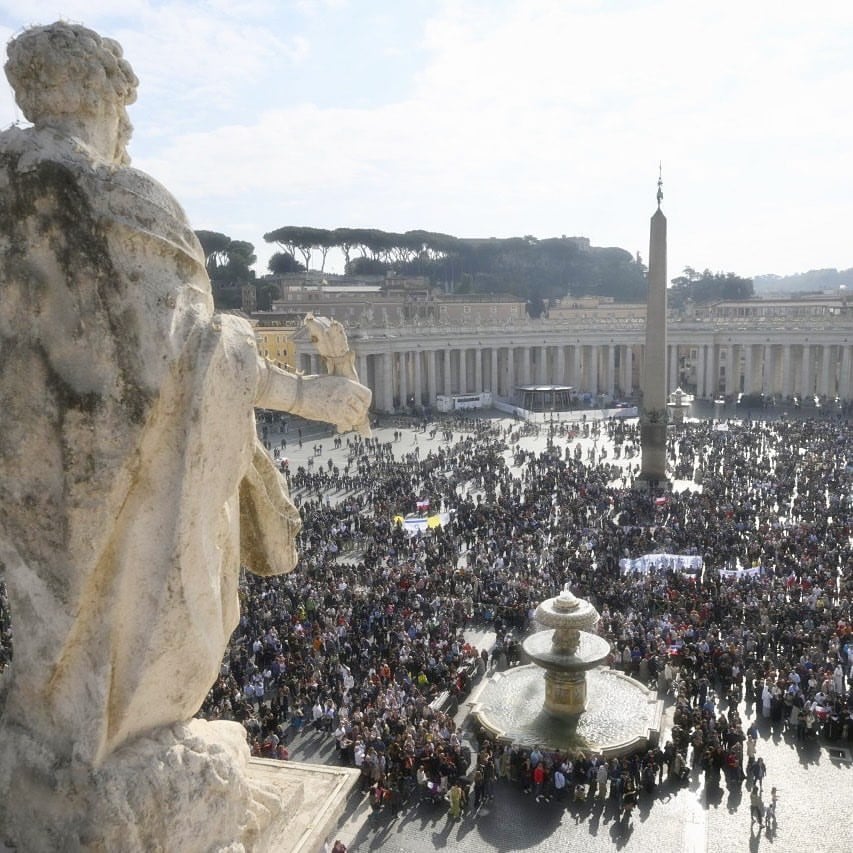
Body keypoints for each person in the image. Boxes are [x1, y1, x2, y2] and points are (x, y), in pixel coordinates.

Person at [0, 21, 371, 850]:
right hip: (131, 501)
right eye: (124, 113)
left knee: (51, 639)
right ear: (102, 99)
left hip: (30, 487)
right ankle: (113, 760)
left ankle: (52, 745)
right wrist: (311, 391)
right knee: (151, 647)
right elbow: (197, 355)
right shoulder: (122, 199)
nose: (126, 134)